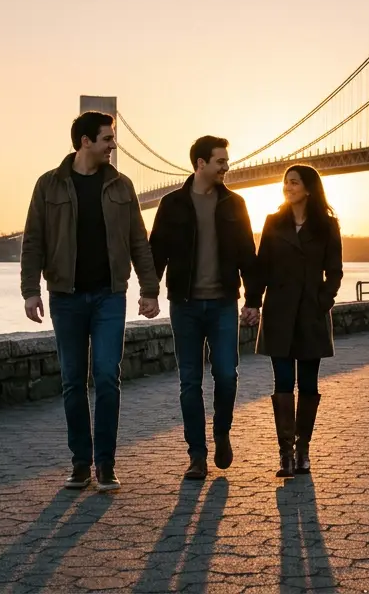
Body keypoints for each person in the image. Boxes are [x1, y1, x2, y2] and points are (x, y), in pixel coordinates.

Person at [20, 110, 160, 493]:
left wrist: (149, 290)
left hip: (109, 296)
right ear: (85, 142)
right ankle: (80, 463)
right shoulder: (48, 186)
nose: (113, 145)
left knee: (106, 377)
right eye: (108, 139)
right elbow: (33, 240)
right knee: (71, 382)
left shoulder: (122, 186)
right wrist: (30, 289)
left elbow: (138, 241)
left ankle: (105, 465)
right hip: (65, 296)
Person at [148, 136, 260, 481]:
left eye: (226, 161)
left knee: (227, 375)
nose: (226, 167)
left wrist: (253, 300)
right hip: (184, 305)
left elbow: (248, 255)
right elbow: (156, 253)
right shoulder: (172, 204)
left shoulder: (235, 204)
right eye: (220, 161)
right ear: (200, 163)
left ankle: (222, 431)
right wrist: (149, 293)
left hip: (225, 302)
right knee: (189, 382)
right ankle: (197, 455)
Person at [248, 164, 342, 479]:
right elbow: (261, 267)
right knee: (283, 382)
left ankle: (304, 452)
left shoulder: (327, 225)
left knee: (310, 384)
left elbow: (335, 271)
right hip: (279, 311)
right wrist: (252, 302)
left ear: (309, 188)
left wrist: (323, 301)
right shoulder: (273, 222)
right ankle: (285, 455)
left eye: (294, 182)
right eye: (286, 182)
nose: (288, 187)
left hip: (311, 314)